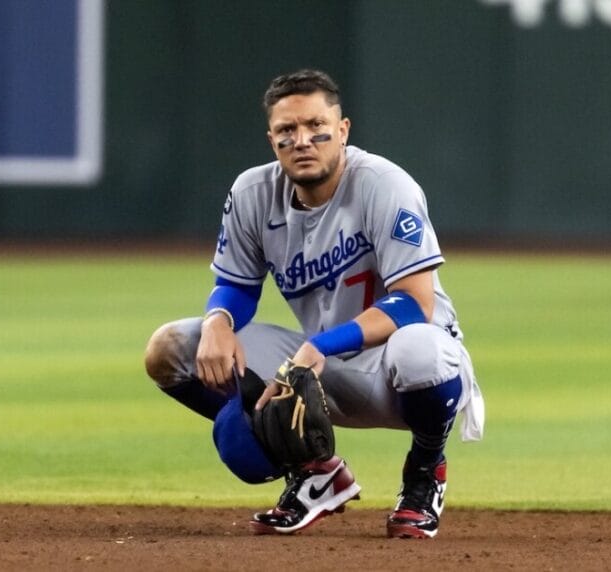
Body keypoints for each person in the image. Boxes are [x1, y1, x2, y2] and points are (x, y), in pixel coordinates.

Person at [144, 69, 484, 539]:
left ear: (342, 130)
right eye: (287, 130)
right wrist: (219, 319)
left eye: (315, 126)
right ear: (272, 140)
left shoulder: (385, 185)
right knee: (170, 350)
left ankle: (425, 473)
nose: (302, 140)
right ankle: (314, 471)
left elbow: (413, 302)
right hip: (317, 370)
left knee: (418, 350)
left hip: (403, 373)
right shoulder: (253, 193)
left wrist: (320, 346)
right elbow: (237, 285)